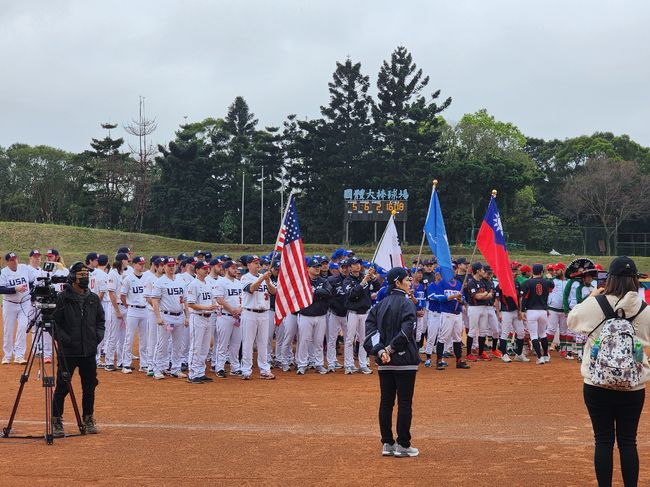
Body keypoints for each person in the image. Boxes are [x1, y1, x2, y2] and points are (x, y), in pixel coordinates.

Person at [568, 256, 650, 487]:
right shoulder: (643, 309)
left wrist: (592, 297)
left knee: (603, 441)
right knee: (628, 441)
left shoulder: (596, 303)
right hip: (633, 385)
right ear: (635, 279)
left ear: (609, 278)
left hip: (597, 383)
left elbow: (572, 321)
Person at [364, 267, 420, 458]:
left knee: (386, 402)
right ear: (398, 282)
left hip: (385, 363)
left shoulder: (378, 305)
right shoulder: (407, 304)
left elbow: (370, 334)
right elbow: (407, 332)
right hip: (405, 361)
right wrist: (389, 349)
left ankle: (387, 443)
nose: (410, 282)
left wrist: (381, 350)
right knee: (404, 403)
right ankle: (403, 445)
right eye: (407, 279)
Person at [51, 262, 105, 437]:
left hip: (88, 351)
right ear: (73, 278)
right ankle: (56, 420)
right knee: (62, 386)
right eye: (81, 276)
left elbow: (100, 321)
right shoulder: (62, 298)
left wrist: (97, 337)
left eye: (86, 276)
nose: (85, 279)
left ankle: (88, 418)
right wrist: (65, 340)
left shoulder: (93, 298)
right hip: (69, 352)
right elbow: (54, 324)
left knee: (89, 387)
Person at [240, 255, 276, 380]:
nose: (257, 265)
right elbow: (251, 289)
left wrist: (267, 281)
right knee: (248, 342)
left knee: (263, 342)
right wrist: (262, 278)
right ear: (248, 265)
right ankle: (246, 370)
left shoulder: (264, 277)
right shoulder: (245, 277)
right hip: (249, 312)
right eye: (254, 263)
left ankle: (264, 369)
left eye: (258, 262)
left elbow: (273, 292)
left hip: (264, 312)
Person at [343, 257, 381, 374]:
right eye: (354, 264)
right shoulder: (347, 280)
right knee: (349, 340)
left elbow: (377, 287)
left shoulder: (365, 277)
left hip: (365, 312)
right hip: (352, 313)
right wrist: (364, 280)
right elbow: (352, 294)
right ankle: (349, 365)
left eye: (358, 263)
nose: (357, 266)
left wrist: (372, 276)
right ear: (349, 267)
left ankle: (363, 364)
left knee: (364, 340)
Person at [296, 257, 332, 375]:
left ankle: (319, 364)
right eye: (315, 267)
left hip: (320, 315)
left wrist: (313, 293)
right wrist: (319, 293)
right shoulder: (302, 280)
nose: (317, 269)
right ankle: (302, 364)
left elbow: (328, 293)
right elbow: (300, 295)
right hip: (306, 314)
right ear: (307, 268)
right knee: (304, 341)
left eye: (318, 266)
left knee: (318, 342)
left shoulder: (324, 281)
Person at [185, 261, 217, 384]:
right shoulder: (193, 284)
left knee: (204, 347)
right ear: (197, 270)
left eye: (207, 268)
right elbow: (191, 304)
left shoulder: (208, 283)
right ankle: (192, 374)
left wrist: (214, 306)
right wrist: (206, 308)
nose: (206, 270)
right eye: (203, 268)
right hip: (197, 317)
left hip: (208, 317)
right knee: (196, 347)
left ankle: (200, 372)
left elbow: (211, 300)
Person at [1, 252, 35, 364]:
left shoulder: (24, 268)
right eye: (11, 260)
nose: (14, 261)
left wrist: (32, 294)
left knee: (22, 328)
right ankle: (7, 355)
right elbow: (1, 289)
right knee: (8, 330)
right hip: (9, 304)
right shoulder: (4, 272)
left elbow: (32, 281)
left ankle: (19, 355)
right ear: (7, 262)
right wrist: (15, 288)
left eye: (15, 259)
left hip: (25, 303)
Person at [520, 263, 555, 365]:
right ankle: (545, 355)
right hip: (543, 311)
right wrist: (550, 278)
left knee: (534, 335)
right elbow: (552, 285)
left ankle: (540, 358)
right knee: (543, 334)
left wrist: (522, 310)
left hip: (531, 311)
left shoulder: (527, 283)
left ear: (532, 272)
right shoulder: (546, 282)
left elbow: (524, 298)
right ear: (541, 272)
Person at [214, 260, 243, 378]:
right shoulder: (220, 282)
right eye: (232, 267)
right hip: (225, 316)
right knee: (222, 344)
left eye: (236, 267)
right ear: (226, 269)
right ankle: (219, 367)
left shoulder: (239, 283)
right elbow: (219, 299)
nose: (235, 269)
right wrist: (232, 310)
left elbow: (243, 299)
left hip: (237, 317)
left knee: (236, 344)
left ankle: (235, 367)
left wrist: (240, 309)